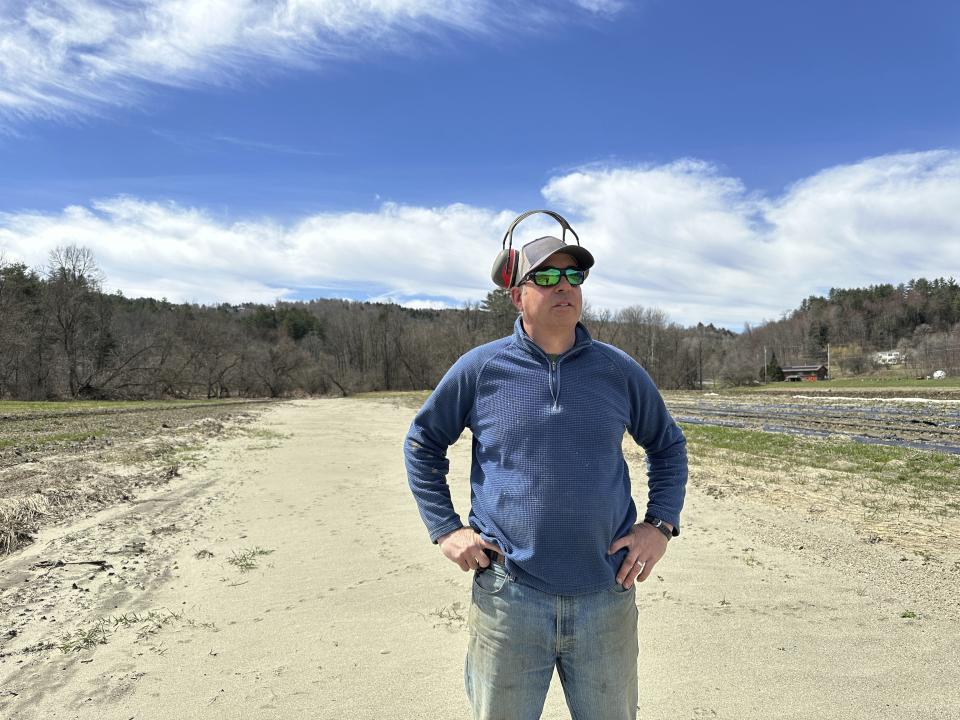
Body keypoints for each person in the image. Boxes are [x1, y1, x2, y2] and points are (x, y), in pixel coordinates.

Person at [404, 210, 688, 720]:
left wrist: (660, 525)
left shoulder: (618, 370)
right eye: (547, 276)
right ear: (517, 294)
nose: (565, 286)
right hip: (509, 597)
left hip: (606, 592)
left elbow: (667, 445)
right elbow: (423, 442)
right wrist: (446, 530)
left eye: (574, 275)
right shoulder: (481, 369)